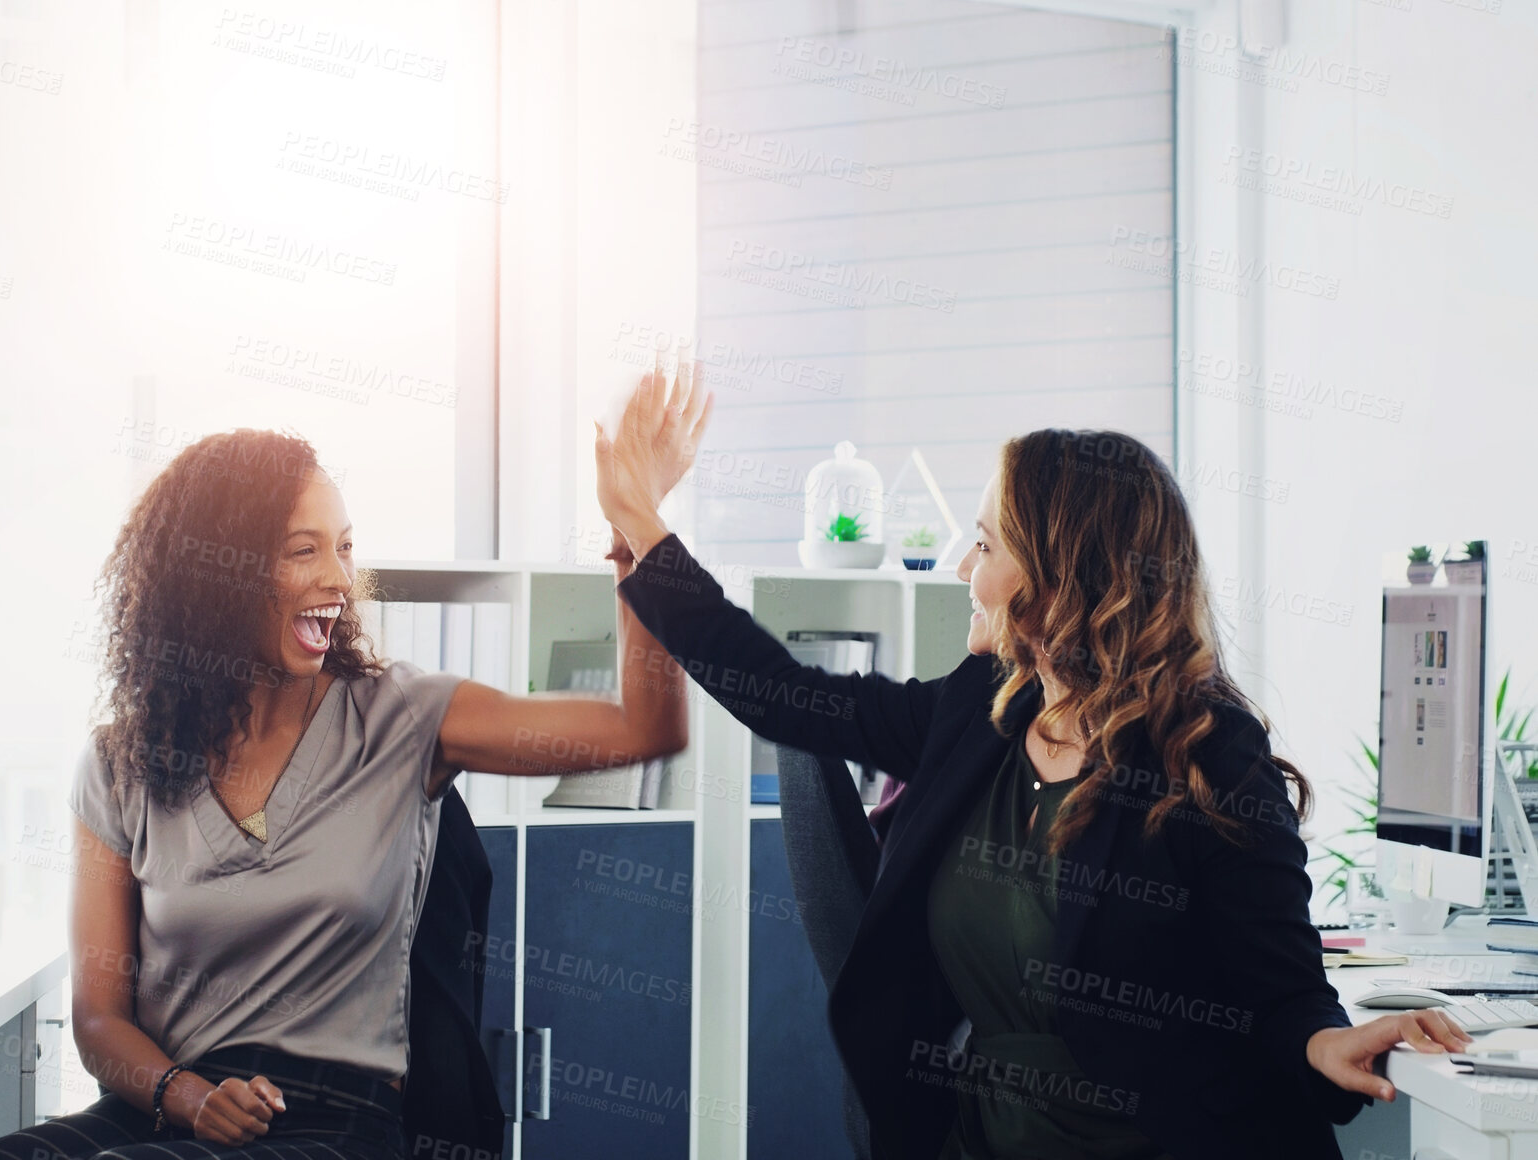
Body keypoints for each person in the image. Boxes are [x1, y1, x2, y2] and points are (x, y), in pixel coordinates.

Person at [593, 366, 1473, 1160]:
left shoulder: (1208, 751)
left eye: (987, 545)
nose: (964, 570)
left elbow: (1280, 984)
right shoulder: (979, 716)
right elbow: (779, 690)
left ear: (1063, 578)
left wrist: (1322, 1042)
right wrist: (642, 523)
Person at [0, 428, 685, 1160]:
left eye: (343, 547)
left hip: (335, 1124)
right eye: (303, 551)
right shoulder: (122, 762)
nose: (338, 579)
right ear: (215, 575)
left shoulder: (402, 719)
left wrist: (636, 536)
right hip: (169, 1107)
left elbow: (639, 729)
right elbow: (98, 1019)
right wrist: (188, 1096)